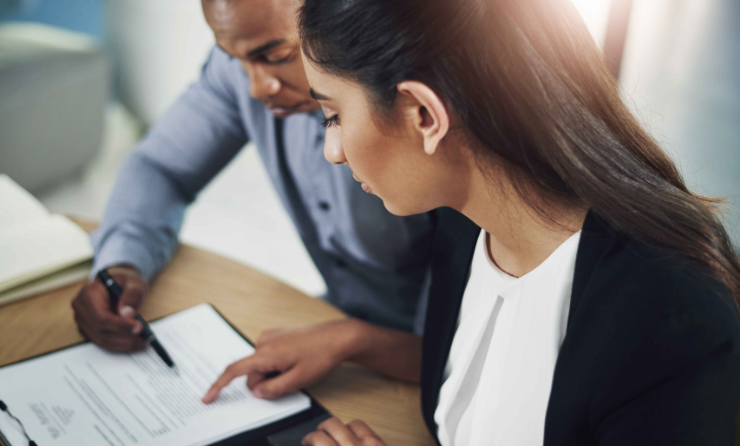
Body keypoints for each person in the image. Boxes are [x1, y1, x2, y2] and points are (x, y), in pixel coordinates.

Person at [205, 0, 740, 444]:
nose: (333, 152)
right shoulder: (463, 225)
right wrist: (353, 341)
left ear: (424, 115)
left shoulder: (671, 317)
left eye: (334, 116)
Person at [71, 0, 436, 394]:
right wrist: (124, 261)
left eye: (275, 56)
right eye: (235, 59)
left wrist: (353, 341)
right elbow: (162, 166)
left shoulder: (426, 118)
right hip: (334, 323)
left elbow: (464, 350)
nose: (256, 87)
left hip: (428, 370)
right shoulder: (246, 66)